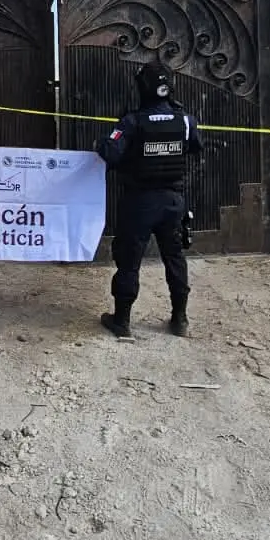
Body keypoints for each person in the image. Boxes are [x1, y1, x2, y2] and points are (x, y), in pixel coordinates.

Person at [94, 60, 203, 338]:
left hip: (139, 203)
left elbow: (111, 153)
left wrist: (100, 144)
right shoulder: (186, 121)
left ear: (143, 88)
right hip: (172, 201)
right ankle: (180, 320)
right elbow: (196, 147)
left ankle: (122, 321)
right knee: (175, 258)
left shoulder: (132, 122)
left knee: (129, 261)